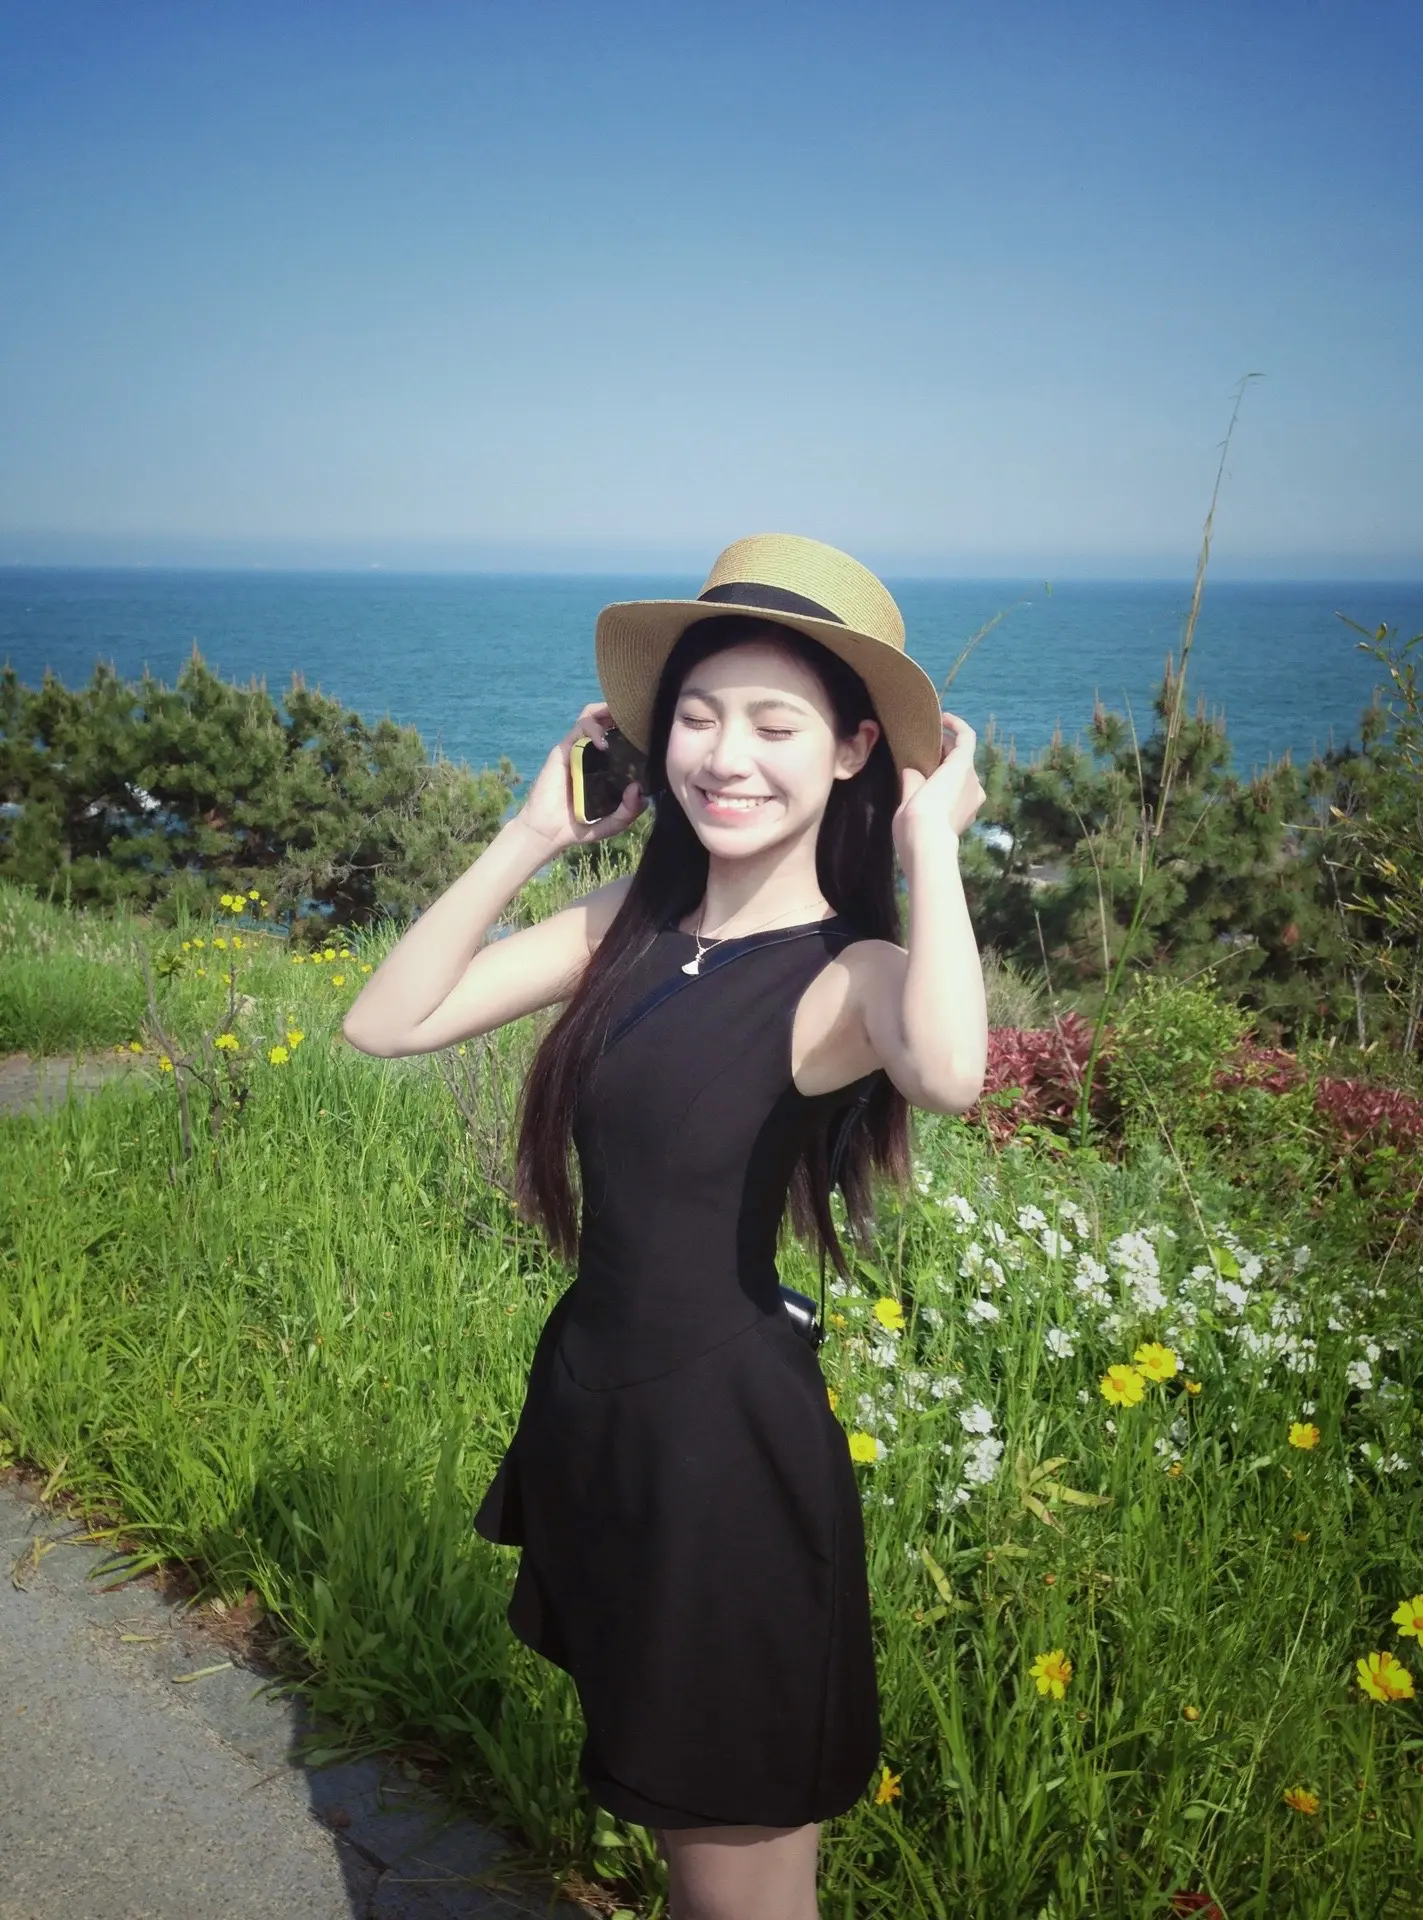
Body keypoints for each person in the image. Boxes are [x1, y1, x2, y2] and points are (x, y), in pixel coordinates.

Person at [342, 533, 989, 1920]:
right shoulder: (624, 927)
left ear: (854, 751)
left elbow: (948, 1071)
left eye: (775, 725)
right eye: (697, 717)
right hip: (604, 1429)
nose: (725, 756)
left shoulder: (848, 974)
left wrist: (931, 843)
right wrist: (534, 833)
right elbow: (386, 1022)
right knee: (693, 1856)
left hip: (726, 1468)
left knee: (738, 1876)